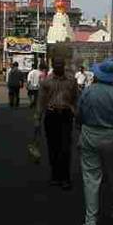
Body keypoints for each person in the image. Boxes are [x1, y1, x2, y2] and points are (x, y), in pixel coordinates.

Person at [76, 59, 113, 225]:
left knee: (91, 178)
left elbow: (79, 116)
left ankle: (91, 220)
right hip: (112, 137)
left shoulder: (87, 91)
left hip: (89, 134)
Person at [38, 57, 78, 190]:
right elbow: (41, 101)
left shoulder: (72, 80)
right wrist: (37, 119)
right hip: (51, 115)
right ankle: (55, 176)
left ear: (64, 65)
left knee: (65, 147)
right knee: (53, 147)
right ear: (53, 65)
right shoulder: (46, 81)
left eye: (61, 64)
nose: (59, 66)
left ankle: (65, 178)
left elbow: (75, 98)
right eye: (56, 64)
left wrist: (76, 114)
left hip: (66, 115)